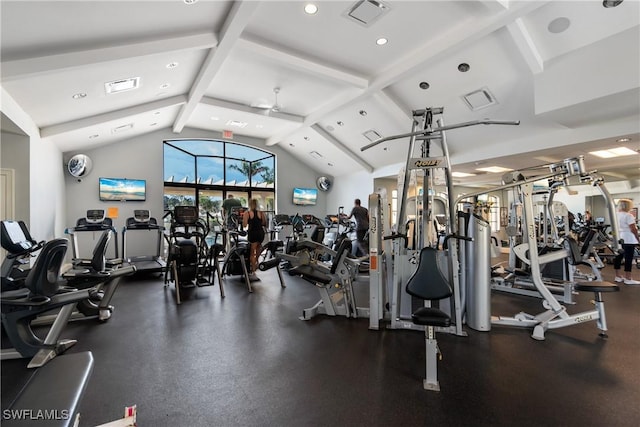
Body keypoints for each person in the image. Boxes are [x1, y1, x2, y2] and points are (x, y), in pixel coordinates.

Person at [613, 199, 640, 285]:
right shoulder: (629, 215)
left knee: (618, 257)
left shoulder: (615, 215)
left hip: (618, 238)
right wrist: (638, 239)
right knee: (628, 258)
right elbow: (633, 229)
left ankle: (618, 276)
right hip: (628, 238)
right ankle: (628, 278)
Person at [243, 198, 266, 277]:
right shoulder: (261, 213)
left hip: (252, 233)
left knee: (252, 252)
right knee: (258, 250)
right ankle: (256, 262)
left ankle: (253, 270)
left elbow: (244, 225)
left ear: (249, 204)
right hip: (260, 233)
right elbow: (263, 223)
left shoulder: (247, 213)